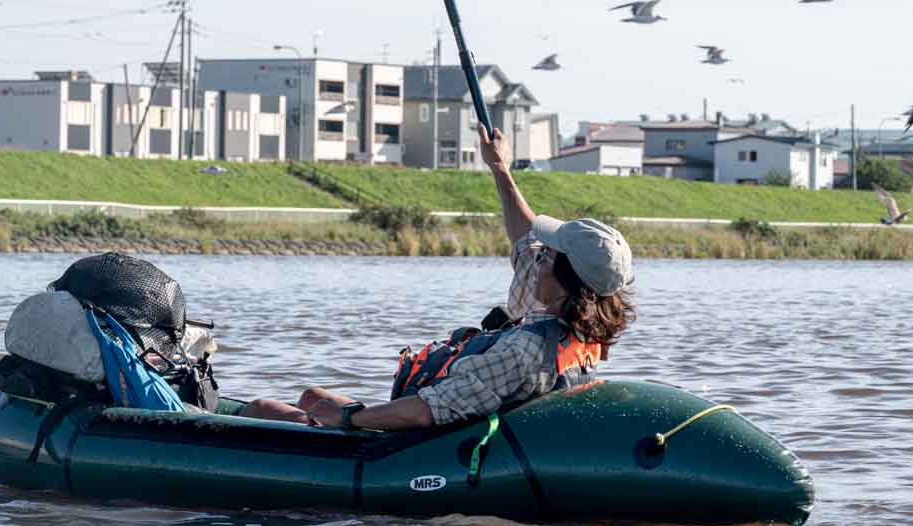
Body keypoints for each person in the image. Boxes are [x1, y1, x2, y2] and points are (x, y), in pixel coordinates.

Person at [239, 124, 636, 430]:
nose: (537, 260)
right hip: (451, 423)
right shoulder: (583, 328)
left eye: (547, 258)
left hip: (422, 444)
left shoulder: (525, 353)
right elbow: (525, 237)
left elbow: (426, 413)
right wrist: (500, 169)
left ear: (566, 281)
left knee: (262, 408)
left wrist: (347, 420)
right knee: (310, 395)